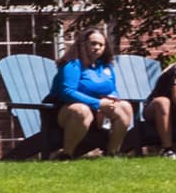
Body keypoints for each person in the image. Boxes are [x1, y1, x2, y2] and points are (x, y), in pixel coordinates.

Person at [47, 26, 137, 159]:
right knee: (81, 110)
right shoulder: (72, 64)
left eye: (101, 45)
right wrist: (98, 103)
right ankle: (67, 154)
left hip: (97, 111)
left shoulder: (105, 66)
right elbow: (67, 91)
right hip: (64, 111)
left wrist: (112, 99)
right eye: (93, 43)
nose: (97, 47)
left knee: (125, 107)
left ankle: (112, 153)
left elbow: (112, 89)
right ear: (83, 45)